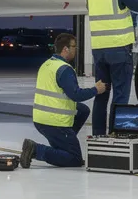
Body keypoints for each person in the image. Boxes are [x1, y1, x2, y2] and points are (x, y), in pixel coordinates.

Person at [21, 33, 107, 168]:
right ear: (65, 49)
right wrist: (96, 89)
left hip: (40, 118)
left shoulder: (47, 64)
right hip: (55, 122)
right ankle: (36, 150)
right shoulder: (64, 69)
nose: (76, 49)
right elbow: (76, 95)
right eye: (74, 46)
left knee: (83, 110)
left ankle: (64, 141)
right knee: (75, 159)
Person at [87, 0, 138, 137]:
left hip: (99, 50)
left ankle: (98, 135)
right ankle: (115, 134)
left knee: (101, 94)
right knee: (120, 94)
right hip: (119, 49)